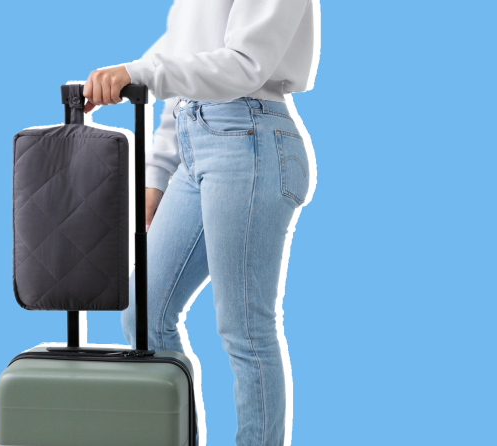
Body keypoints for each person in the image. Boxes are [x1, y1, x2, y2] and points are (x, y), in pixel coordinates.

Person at [83, 1, 320, 445]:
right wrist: (156, 175)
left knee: (246, 329)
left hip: (250, 137)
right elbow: (187, 71)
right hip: (198, 144)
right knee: (144, 315)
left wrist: (140, 72)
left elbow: (245, 64)